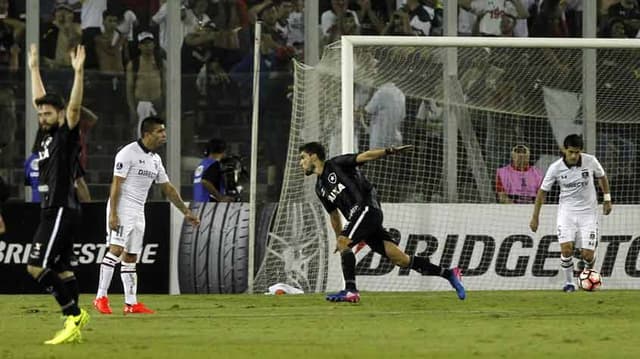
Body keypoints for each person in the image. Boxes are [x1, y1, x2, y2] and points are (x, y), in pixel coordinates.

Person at [298, 142, 466, 303]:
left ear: (313, 156)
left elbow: (365, 156)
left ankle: (350, 290)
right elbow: (334, 216)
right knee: (400, 259)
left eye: (303, 157)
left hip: (366, 208)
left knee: (345, 242)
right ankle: (449, 274)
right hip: (361, 218)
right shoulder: (319, 187)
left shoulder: (335, 164)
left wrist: (390, 151)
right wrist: (339, 237)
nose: (301, 163)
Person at [94, 116, 200, 315]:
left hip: (139, 209)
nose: (164, 135)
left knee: (131, 255)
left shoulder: (155, 159)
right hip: (123, 207)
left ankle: (131, 303)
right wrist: (114, 214)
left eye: (164, 131)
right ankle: (101, 297)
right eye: (160, 131)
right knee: (115, 250)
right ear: (147, 134)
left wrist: (185, 212)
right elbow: (116, 184)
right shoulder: (127, 153)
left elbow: (167, 188)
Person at [25, 43, 89, 344]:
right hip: (57, 208)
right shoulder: (46, 134)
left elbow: (73, 109)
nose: (42, 116)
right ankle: (75, 320)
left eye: (48, 113)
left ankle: (72, 314)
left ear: (60, 114)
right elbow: (40, 100)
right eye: (40, 114)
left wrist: (79, 73)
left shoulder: (66, 133)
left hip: (60, 208)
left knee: (36, 266)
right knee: (62, 268)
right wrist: (33, 68)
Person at [529, 134, 612, 292]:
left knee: (587, 255)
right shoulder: (555, 167)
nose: (574, 155)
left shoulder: (591, 161)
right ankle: (569, 283)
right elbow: (542, 192)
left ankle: (587, 275)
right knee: (566, 249)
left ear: (581, 151)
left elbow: (602, 177)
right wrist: (535, 217)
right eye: (571, 152)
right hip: (566, 213)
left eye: (577, 152)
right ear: (564, 150)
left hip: (588, 213)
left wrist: (607, 199)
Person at [193, 138, 234, 202]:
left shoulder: (202, 164)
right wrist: (220, 197)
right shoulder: (214, 164)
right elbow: (205, 181)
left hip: (198, 204)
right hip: (209, 205)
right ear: (223, 151)